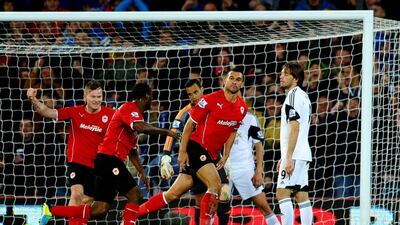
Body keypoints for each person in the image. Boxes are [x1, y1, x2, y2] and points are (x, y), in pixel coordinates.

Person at [39, 83, 180, 225]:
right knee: (135, 194)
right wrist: (168, 132)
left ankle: (52, 211)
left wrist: (142, 173)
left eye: (99, 96)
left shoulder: (135, 117)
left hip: (104, 161)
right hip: (109, 159)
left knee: (100, 209)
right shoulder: (128, 109)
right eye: (151, 98)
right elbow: (140, 127)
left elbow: (132, 150)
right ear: (146, 97)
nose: (152, 101)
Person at [126, 71, 248, 225]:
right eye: (231, 78)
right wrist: (180, 153)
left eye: (238, 80)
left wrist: (226, 155)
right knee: (215, 185)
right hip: (196, 148)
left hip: (212, 155)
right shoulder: (210, 100)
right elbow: (189, 125)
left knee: (172, 195)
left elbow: (233, 130)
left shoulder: (242, 108)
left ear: (242, 84)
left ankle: (131, 217)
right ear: (224, 80)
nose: (234, 82)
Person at [27, 80, 114, 225]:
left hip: (98, 165)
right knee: (76, 195)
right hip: (77, 162)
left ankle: (51, 211)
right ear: (85, 96)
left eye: (99, 96)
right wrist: (33, 99)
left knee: (89, 202)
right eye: (93, 97)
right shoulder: (74, 112)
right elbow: (47, 112)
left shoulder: (110, 115)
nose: (97, 100)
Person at [160, 78, 231, 225]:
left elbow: (223, 131)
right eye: (190, 94)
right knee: (199, 199)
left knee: (224, 192)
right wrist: (166, 156)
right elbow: (173, 132)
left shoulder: (213, 104)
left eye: (196, 92)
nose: (194, 96)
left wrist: (226, 157)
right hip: (194, 159)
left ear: (202, 89)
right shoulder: (184, 112)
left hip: (213, 157)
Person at [276, 61, 313, 225]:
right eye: (281, 73)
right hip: (303, 153)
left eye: (285, 73)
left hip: (295, 154)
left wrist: (288, 157)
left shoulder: (292, 96)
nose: (281, 76)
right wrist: (284, 156)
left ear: (295, 78)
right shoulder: (304, 96)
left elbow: (295, 128)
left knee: (282, 194)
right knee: (301, 195)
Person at [228, 111, 280, 225]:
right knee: (214, 206)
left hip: (244, 168)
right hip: (223, 168)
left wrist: (259, 171)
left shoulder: (250, 118)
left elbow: (259, 146)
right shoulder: (219, 114)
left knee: (263, 206)